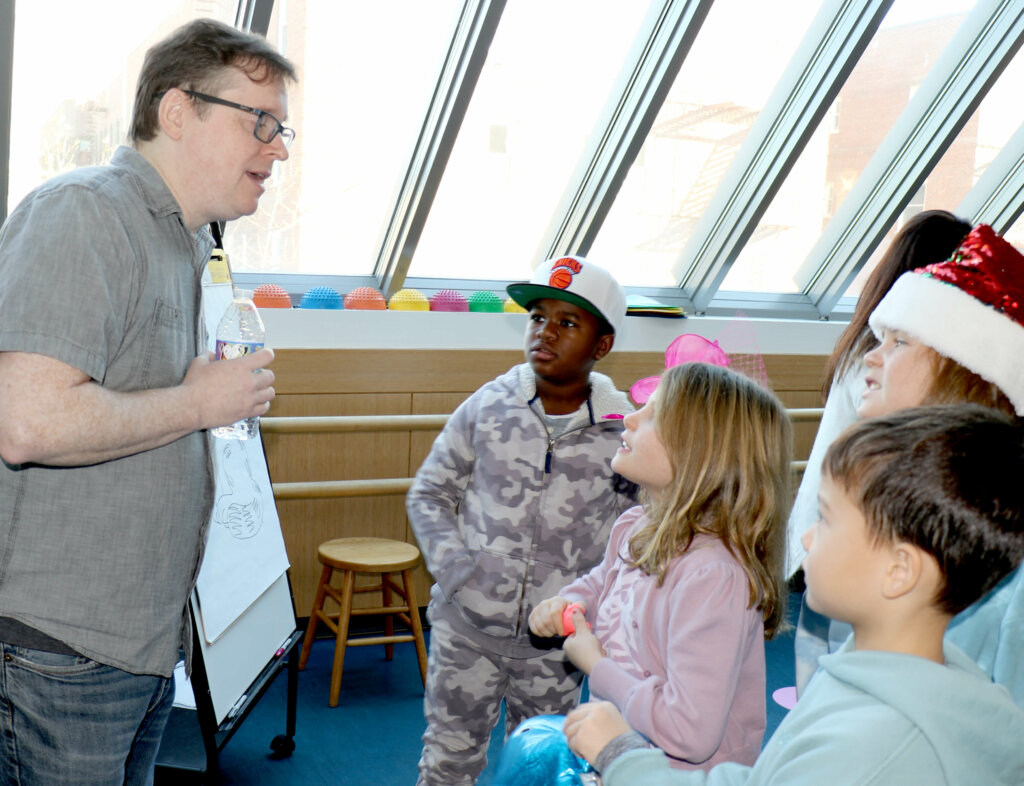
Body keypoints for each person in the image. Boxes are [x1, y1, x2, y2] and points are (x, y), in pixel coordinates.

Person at [0, 19, 294, 785]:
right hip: (58, 653)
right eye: (259, 122)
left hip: (131, 647)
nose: (279, 148)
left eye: (282, 128)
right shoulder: (85, 214)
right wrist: (199, 403)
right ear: (176, 112)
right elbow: (26, 421)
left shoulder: (182, 241)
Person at [564, 406, 1024, 786]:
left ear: (899, 571)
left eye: (825, 519)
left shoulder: (870, 747)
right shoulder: (874, 671)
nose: (805, 538)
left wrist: (623, 755)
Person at [407, 255, 636, 785]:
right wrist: (459, 574)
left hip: (555, 648)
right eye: (538, 317)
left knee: (541, 768)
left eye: (567, 323)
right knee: (446, 762)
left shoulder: (623, 432)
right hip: (467, 633)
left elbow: (636, 538)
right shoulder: (489, 405)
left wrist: (592, 614)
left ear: (602, 346)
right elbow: (430, 493)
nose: (545, 333)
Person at [528, 362, 792, 771]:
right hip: (622, 758)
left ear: (699, 454)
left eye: (652, 416)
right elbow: (606, 584)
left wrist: (596, 665)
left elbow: (690, 733)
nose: (629, 419)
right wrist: (568, 602)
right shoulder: (635, 525)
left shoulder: (712, 577)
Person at [786, 210, 971, 691]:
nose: (881, 353)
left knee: (831, 658)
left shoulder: (866, 352)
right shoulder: (881, 365)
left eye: (899, 341)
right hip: (850, 528)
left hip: (844, 529)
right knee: (836, 658)